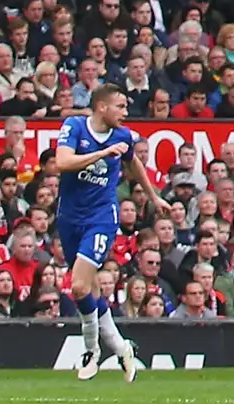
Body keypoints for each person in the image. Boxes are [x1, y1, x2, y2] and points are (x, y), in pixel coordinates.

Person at [38, 79, 165, 382]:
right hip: (69, 217)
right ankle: (122, 348)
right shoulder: (76, 127)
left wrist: (153, 195)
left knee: (79, 287)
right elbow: (63, 162)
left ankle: (91, 350)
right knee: (91, 290)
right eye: (120, 106)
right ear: (101, 107)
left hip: (101, 217)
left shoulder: (122, 136)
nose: (125, 112)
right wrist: (103, 153)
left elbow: (134, 164)